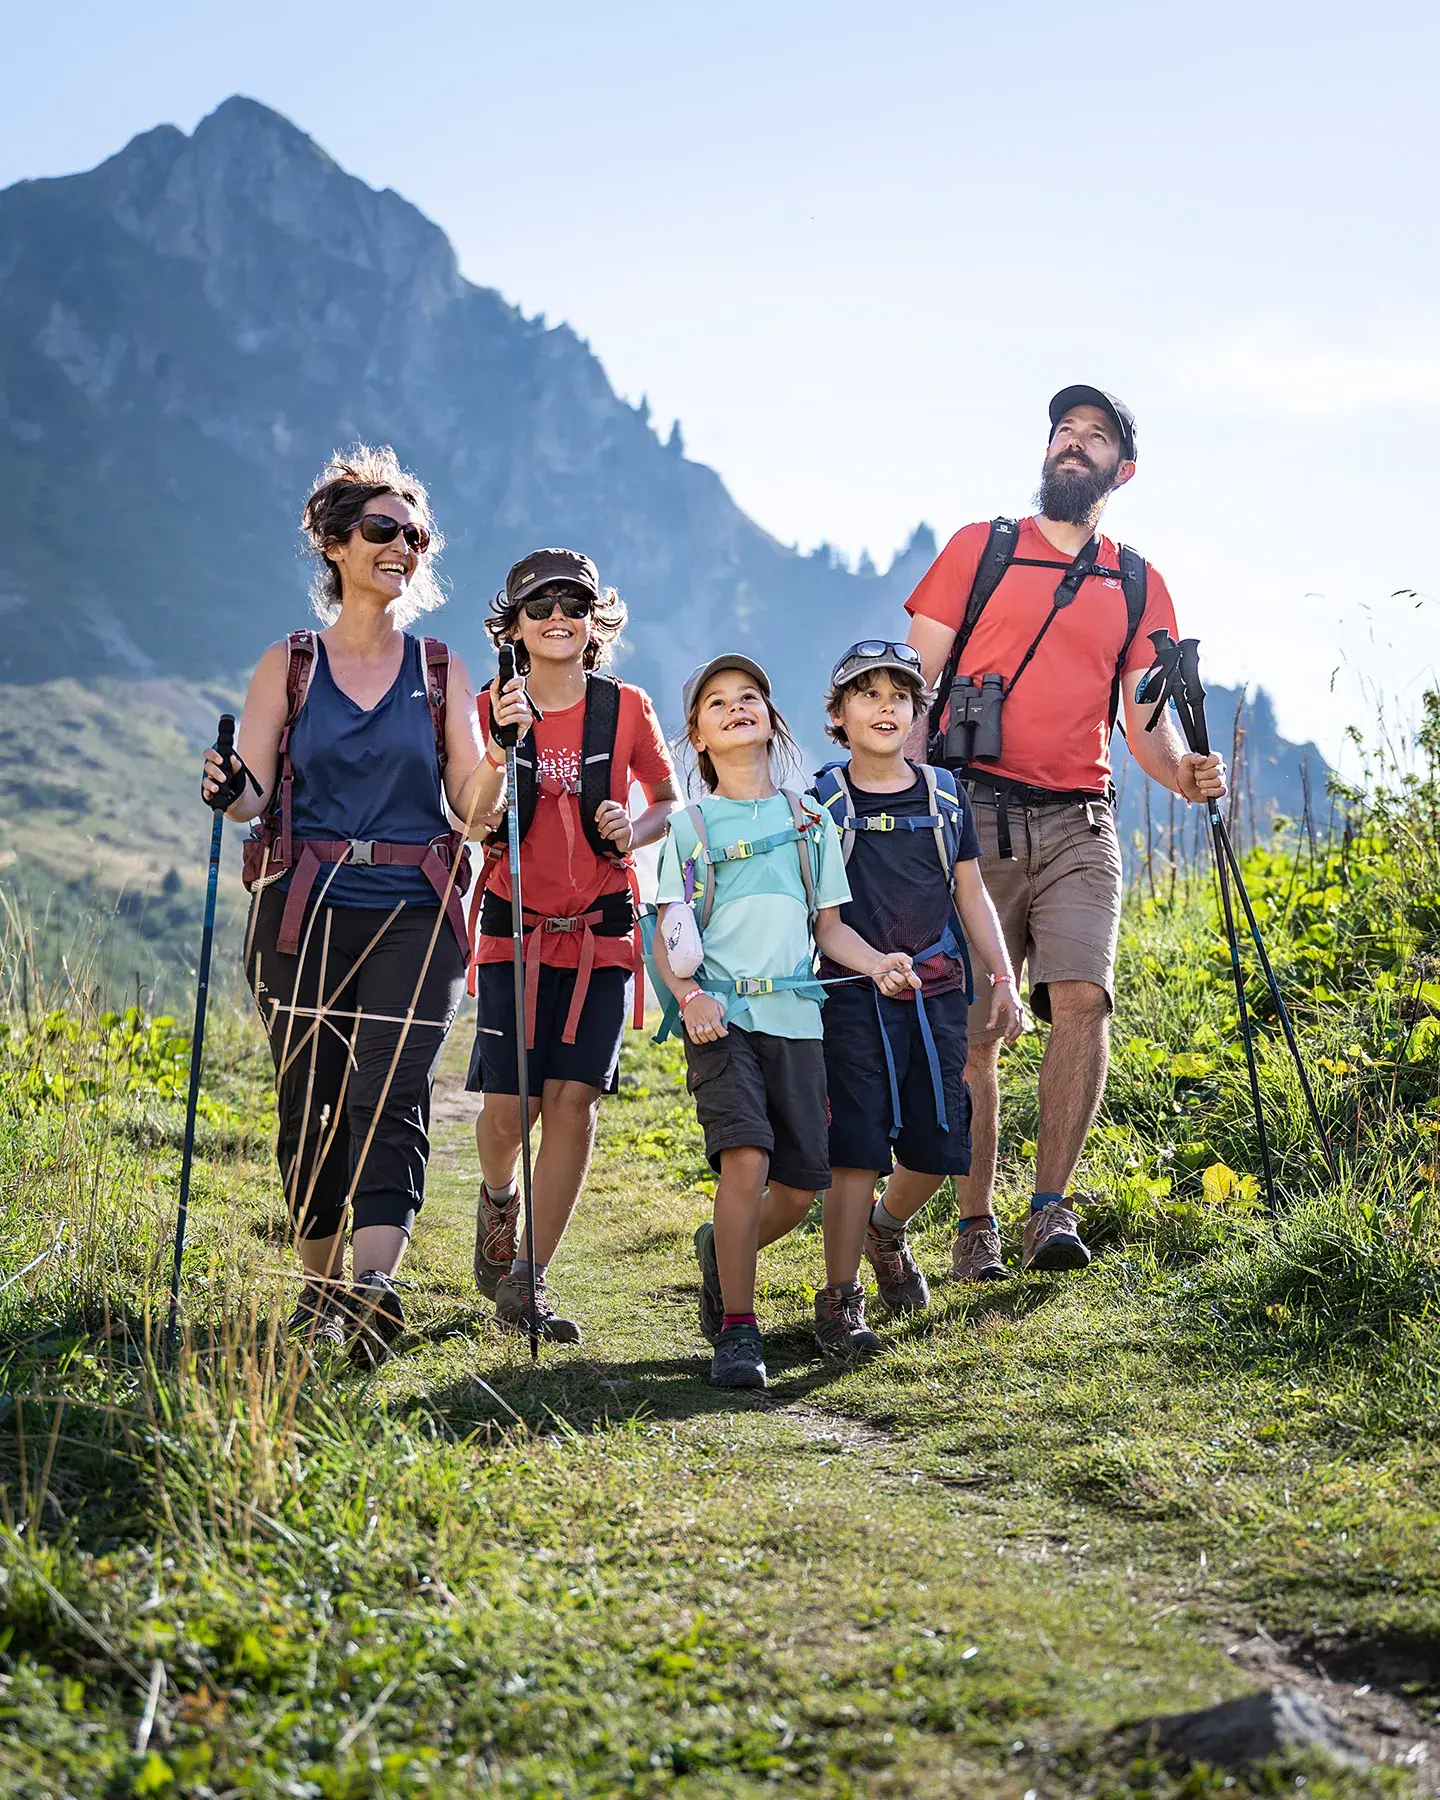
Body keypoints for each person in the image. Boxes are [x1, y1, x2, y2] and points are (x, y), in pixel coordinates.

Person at [903, 385, 1227, 1280]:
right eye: (1063, 432)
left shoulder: (1136, 580)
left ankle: (1050, 1209)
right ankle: (975, 1226)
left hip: (1081, 820)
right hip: (973, 816)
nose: (1073, 446)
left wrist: (1182, 773)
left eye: (1094, 438)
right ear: (1047, 453)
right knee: (976, 1029)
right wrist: (902, 807)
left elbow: (1144, 719)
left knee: (1081, 1000)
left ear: (1121, 470)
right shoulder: (982, 548)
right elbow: (910, 687)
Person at [201, 445, 492, 1367]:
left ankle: (372, 1292)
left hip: (416, 907)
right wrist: (227, 786)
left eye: (414, 533)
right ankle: (320, 1293)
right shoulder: (288, 664)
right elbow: (250, 794)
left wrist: (507, 756)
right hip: (303, 909)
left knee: (391, 1091)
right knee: (311, 1102)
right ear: (334, 546)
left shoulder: (441, 670)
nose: (401, 545)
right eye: (381, 530)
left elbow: (473, 810)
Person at [649, 654, 919, 1391]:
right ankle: (739, 1329)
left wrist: (877, 963)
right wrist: (690, 998)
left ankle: (720, 1250)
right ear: (698, 738)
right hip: (721, 1019)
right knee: (746, 1162)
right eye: (717, 704)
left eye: (750, 698)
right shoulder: (690, 827)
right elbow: (668, 931)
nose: (737, 708)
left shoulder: (810, 822)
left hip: (798, 1017)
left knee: (798, 1191)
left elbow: (829, 929)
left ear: (772, 720)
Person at [467, 550, 676, 1344]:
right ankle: (497, 1198)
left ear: (596, 622)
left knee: (573, 1103)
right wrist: (496, 747)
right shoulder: (488, 706)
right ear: (514, 625)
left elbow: (664, 800)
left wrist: (637, 828)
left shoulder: (625, 707)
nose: (559, 615)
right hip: (511, 929)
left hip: (601, 929)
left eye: (575, 604)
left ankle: (529, 1279)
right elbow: (469, 814)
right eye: (540, 604)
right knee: (509, 1107)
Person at [813, 642, 1026, 1339]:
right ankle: (840, 1301)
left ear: (917, 714)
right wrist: (874, 962)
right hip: (852, 995)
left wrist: (1002, 979)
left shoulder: (942, 792)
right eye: (868, 695)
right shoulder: (823, 800)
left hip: (937, 992)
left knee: (940, 1146)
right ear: (839, 714)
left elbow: (970, 895)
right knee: (858, 1151)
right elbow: (824, 920)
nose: (885, 708)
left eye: (899, 697)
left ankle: (886, 1230)